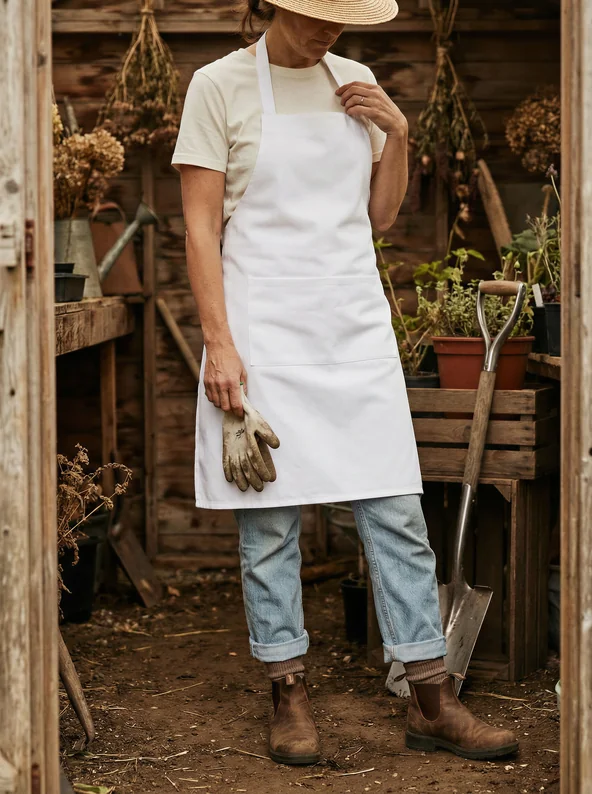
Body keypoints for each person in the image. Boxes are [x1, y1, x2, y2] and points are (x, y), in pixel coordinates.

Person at [171, 0, 518, 766]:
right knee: (269, 523)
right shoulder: (218, 86)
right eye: (316, 14)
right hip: (263, 334)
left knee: (396, 513)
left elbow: (380, 216)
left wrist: (399, 133)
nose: (330, 29)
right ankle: (288, 692)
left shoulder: (356, 79)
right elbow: (199, 228)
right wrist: (219, 344)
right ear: (274, 6)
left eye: (340, 16)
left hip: (353, 332)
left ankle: (431, 698)